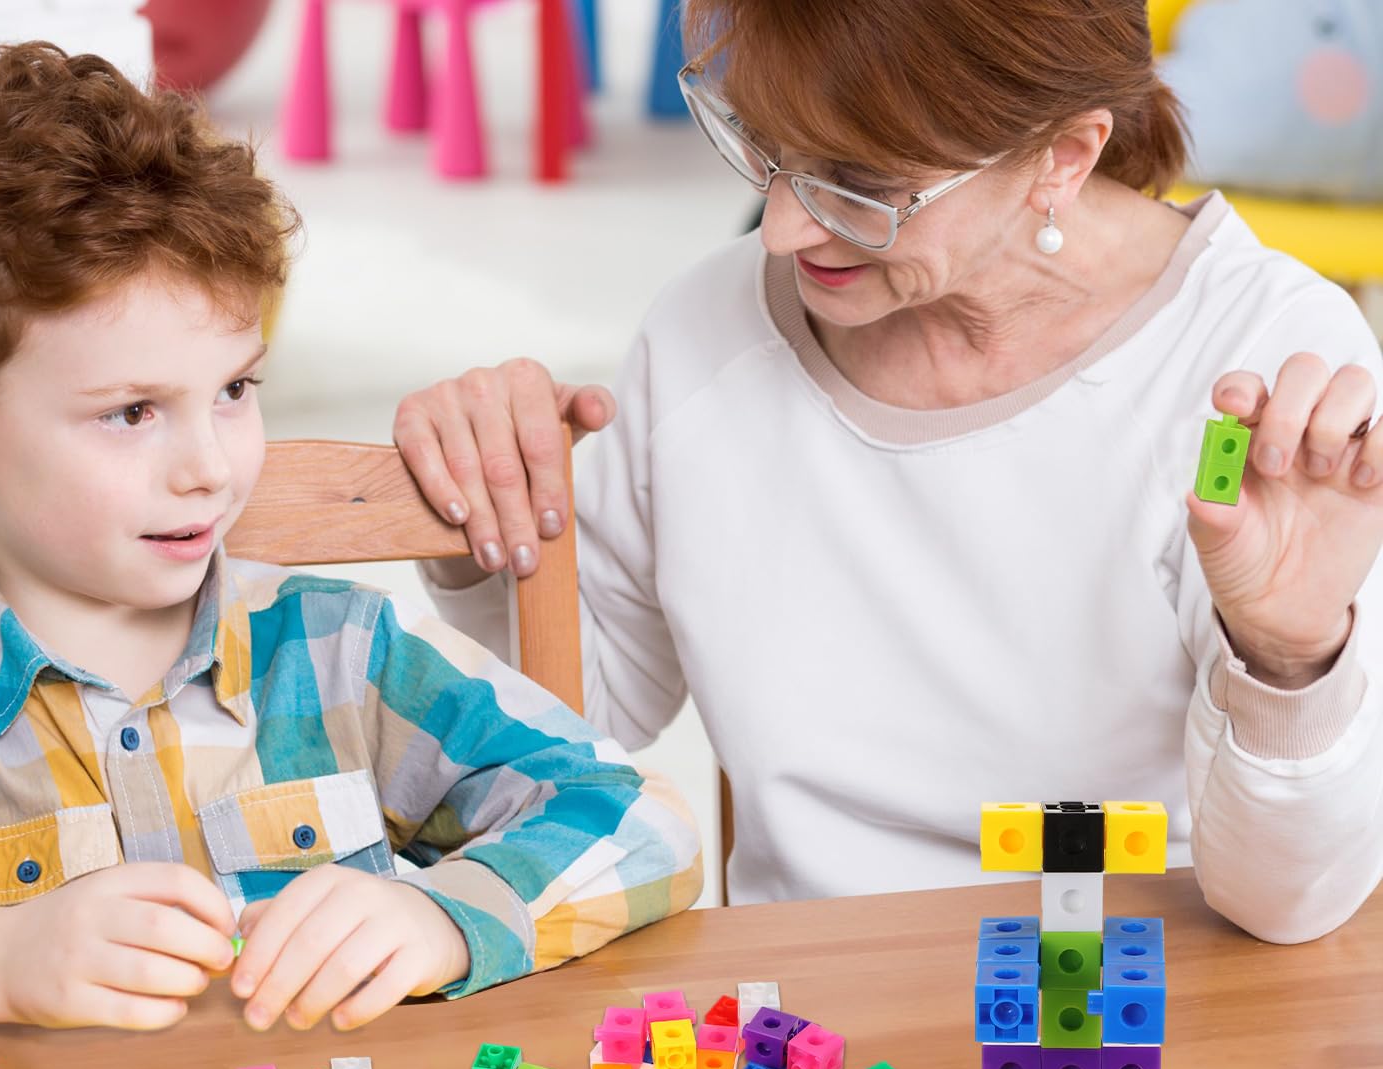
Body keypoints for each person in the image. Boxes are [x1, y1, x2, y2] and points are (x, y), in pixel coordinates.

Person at [395, 0, 1383, 943]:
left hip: (1128, 1010)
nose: (780, 229)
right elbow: (593, 714)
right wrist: (490, 519)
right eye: (765, 144)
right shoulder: (707, 331)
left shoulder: (1263, 369)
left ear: (1063, 156)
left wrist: (1290, 659)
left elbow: (1286, 907)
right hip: (815, 1025)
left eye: (860, 182)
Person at [0, 42, 701, 1042]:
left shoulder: (343, 654)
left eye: (233, 390)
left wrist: (440, 913)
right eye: (132, 411)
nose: (208, 467)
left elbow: (640, 815)